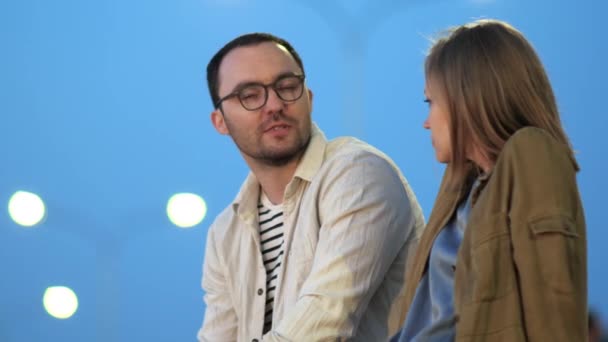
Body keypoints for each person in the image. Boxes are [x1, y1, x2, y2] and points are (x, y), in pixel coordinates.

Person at [197, 32, 425, 341]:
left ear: (309, 97)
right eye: (250, 95)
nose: (274, 104)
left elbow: (325, 320)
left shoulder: (357, 175)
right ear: (220, 122)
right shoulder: (226, 232)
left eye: (287, 87)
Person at [392, 19, 587, 341]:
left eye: (431, 102)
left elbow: (554, 301)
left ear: (466, 99)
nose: (426, 123)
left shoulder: (533, 155)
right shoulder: (462, 190)